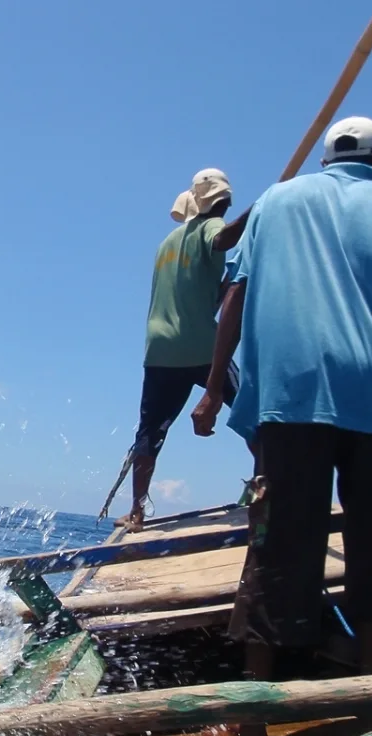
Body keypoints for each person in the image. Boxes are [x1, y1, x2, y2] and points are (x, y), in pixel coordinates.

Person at [191, 117, 372, 687]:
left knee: (279, 535)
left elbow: (235, 296)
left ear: (325, 161)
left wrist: (210, 389)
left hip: (290, 392)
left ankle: (256, 697)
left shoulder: (276, 201)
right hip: (370, 396)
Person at [116, 169, 252, 531]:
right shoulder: (210, 227)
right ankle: (271, 487)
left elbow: (194, 293)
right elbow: (222, 237)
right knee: (251, 413)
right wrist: (260, 211)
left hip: (160, 348)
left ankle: (137, 512)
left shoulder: (167, 243)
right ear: (222, 202)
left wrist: (226, 287)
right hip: (202, 345)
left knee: (149, 432)